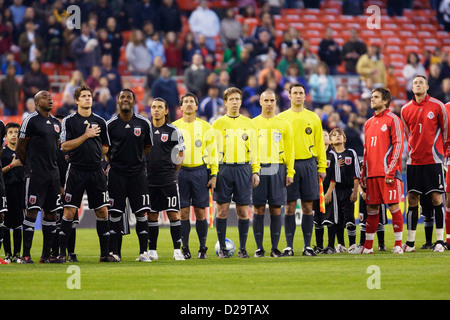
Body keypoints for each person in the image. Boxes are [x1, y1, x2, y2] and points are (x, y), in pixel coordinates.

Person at [58, 85, 117, 262]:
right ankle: (63, 254)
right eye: (83, 96)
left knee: (103, 211)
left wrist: (93, 151)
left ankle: (104, 254)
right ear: (76, 100)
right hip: (76, 170)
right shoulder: (69, 121)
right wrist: (86, 136)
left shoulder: (101, 121)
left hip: (96, 170)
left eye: (89, 96)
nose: (87, 98)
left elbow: (106, 148)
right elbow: (64, 146)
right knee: (69, 212)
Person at [277, 83, 327, 256]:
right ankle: (289, 246)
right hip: (289, 166)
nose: (298, 96)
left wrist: (322, 166)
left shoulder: (313, 117)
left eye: (301, 93)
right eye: (295, 93)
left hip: (309, 164)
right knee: (290, 207)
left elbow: (320, 143)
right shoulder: (281, 118)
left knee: (307, 207)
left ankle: (307, 246)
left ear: (305, 96)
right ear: (289, 96)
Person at [212, 87, 260, 258]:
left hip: (243, 169)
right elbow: (213, 151)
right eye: (231, 99)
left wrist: (255, 171)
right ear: (225, 102)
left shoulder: (249, 123)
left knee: (243, 211)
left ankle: (243, 249)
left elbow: (254, 150)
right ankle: (223, 250)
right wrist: (213, 174)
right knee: (222, 210)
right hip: (223, 169)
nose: (234, 102)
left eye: (237, 99)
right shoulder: (217, 124)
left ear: (240, 102)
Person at [401, 75, 447, 253]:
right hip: (414, 161)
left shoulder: (437, 106)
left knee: (436, 198)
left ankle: (440, 241)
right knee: (412, 199)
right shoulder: (405, 109)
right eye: (415, 83)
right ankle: (410, 243)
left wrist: (440, 153)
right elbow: (407, 134)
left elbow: (445, 130)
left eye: (421, 82)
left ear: (427, 86)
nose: (418, 85)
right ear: (412, 88)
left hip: (433, 160)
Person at [16, 91, 63, 264]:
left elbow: (56, 146)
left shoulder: (57, 123)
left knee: (51, 215)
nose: (49, 99)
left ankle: (46, 256)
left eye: (51, 97)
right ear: (36, 102)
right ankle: (25, 255)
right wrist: (29, 165)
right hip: (35, 174)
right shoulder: (30, 120)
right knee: (31, 212)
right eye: (45, 97)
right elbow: (20, 147)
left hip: (53, 175)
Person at [106, 89, 153, 262]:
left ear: (134, 102)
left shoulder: (143, 123)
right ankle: (115, 253)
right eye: (122, 97)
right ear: (118, 101)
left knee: (141, 214)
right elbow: (106, 151)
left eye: (129, 97)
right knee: (115, 214)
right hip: (117, 175)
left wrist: (136, 161)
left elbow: (147, 147)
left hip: (137, 175)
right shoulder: (110, 125)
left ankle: (143, 253)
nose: (125, 100)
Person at [173, 92, 218, 259]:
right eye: (186, 102)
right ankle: (185, 248)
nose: (189, 104)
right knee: (183, 213)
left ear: (197, 106)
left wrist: (213, 175)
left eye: (192, 101)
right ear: (181, 107)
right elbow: (171, 153)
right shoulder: (174, 127)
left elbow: (213, 153)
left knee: (200, 212)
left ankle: (202, 248)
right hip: (181, 171)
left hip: (200, 171)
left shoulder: (206, 127)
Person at [360, 88, 405, 254]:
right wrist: (364, 174)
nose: (372, 99)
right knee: (372, 210)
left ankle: (398, 245)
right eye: (372, 97)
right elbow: (366, 151)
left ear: (385, 101)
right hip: (371, 175)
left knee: (393, 207)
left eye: (376, 97)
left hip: (388, 173)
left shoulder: (393, 119)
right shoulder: (368, 123)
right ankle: (368, 247)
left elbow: (398, 145)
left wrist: (391, 171)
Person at [251, 90, 295, 257]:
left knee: (276, 209)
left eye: (272, 100)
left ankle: (274, 248)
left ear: (276, 103)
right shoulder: (253, 124)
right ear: (260, 102)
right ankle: (259, 248)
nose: (269, 103)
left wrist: (290, 172)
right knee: (259, 209)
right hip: (259, 168)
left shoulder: (283, 124)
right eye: (266, 100)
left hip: (278, 168)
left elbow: (290, 151)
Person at [146, 97, 186, 261]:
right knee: (152, 215)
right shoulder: (145, 129)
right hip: (149, 180)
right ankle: (152, 251)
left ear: (166, 110)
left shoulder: (173, 131)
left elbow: (180, 155)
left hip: (168, 180)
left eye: (159, 107)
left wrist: (171, 171)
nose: (156, 109)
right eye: (154, 107)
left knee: (173, 215)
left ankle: (177, 251)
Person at [329, 128, 360, 253]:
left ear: (344, 139)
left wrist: (355, 191)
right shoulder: (330, 156)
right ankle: (341, 244)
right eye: (334, 135)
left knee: (349, 217)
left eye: (340, 134)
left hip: (347, 190)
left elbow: (356, 174)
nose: (337, 136)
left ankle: (352, 245)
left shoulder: (351, 153)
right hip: (335, 191)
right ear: (330, 141)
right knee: (338, 219)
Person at [313, 130, 340, 254]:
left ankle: (330, 246)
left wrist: (329, 192)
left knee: (329, 219)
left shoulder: (332, 155)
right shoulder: (313, 155)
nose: (323, 137)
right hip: (315, 192)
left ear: (329, 141)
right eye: (321, 135)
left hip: (328, 192)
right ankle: (319, 246)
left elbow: (335, 176)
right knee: (317, 220)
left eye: (325, 135)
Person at [1, 122, 24, 263]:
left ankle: (17, 254)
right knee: (5, 224)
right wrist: (11, 165)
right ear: (5, 136)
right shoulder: (2, 152)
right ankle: (7, 254)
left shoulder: (23, 151)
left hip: (20, 190)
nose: (14, 134)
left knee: (18, 224)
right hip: (6, 190)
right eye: (10, 132)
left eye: (16, 132)